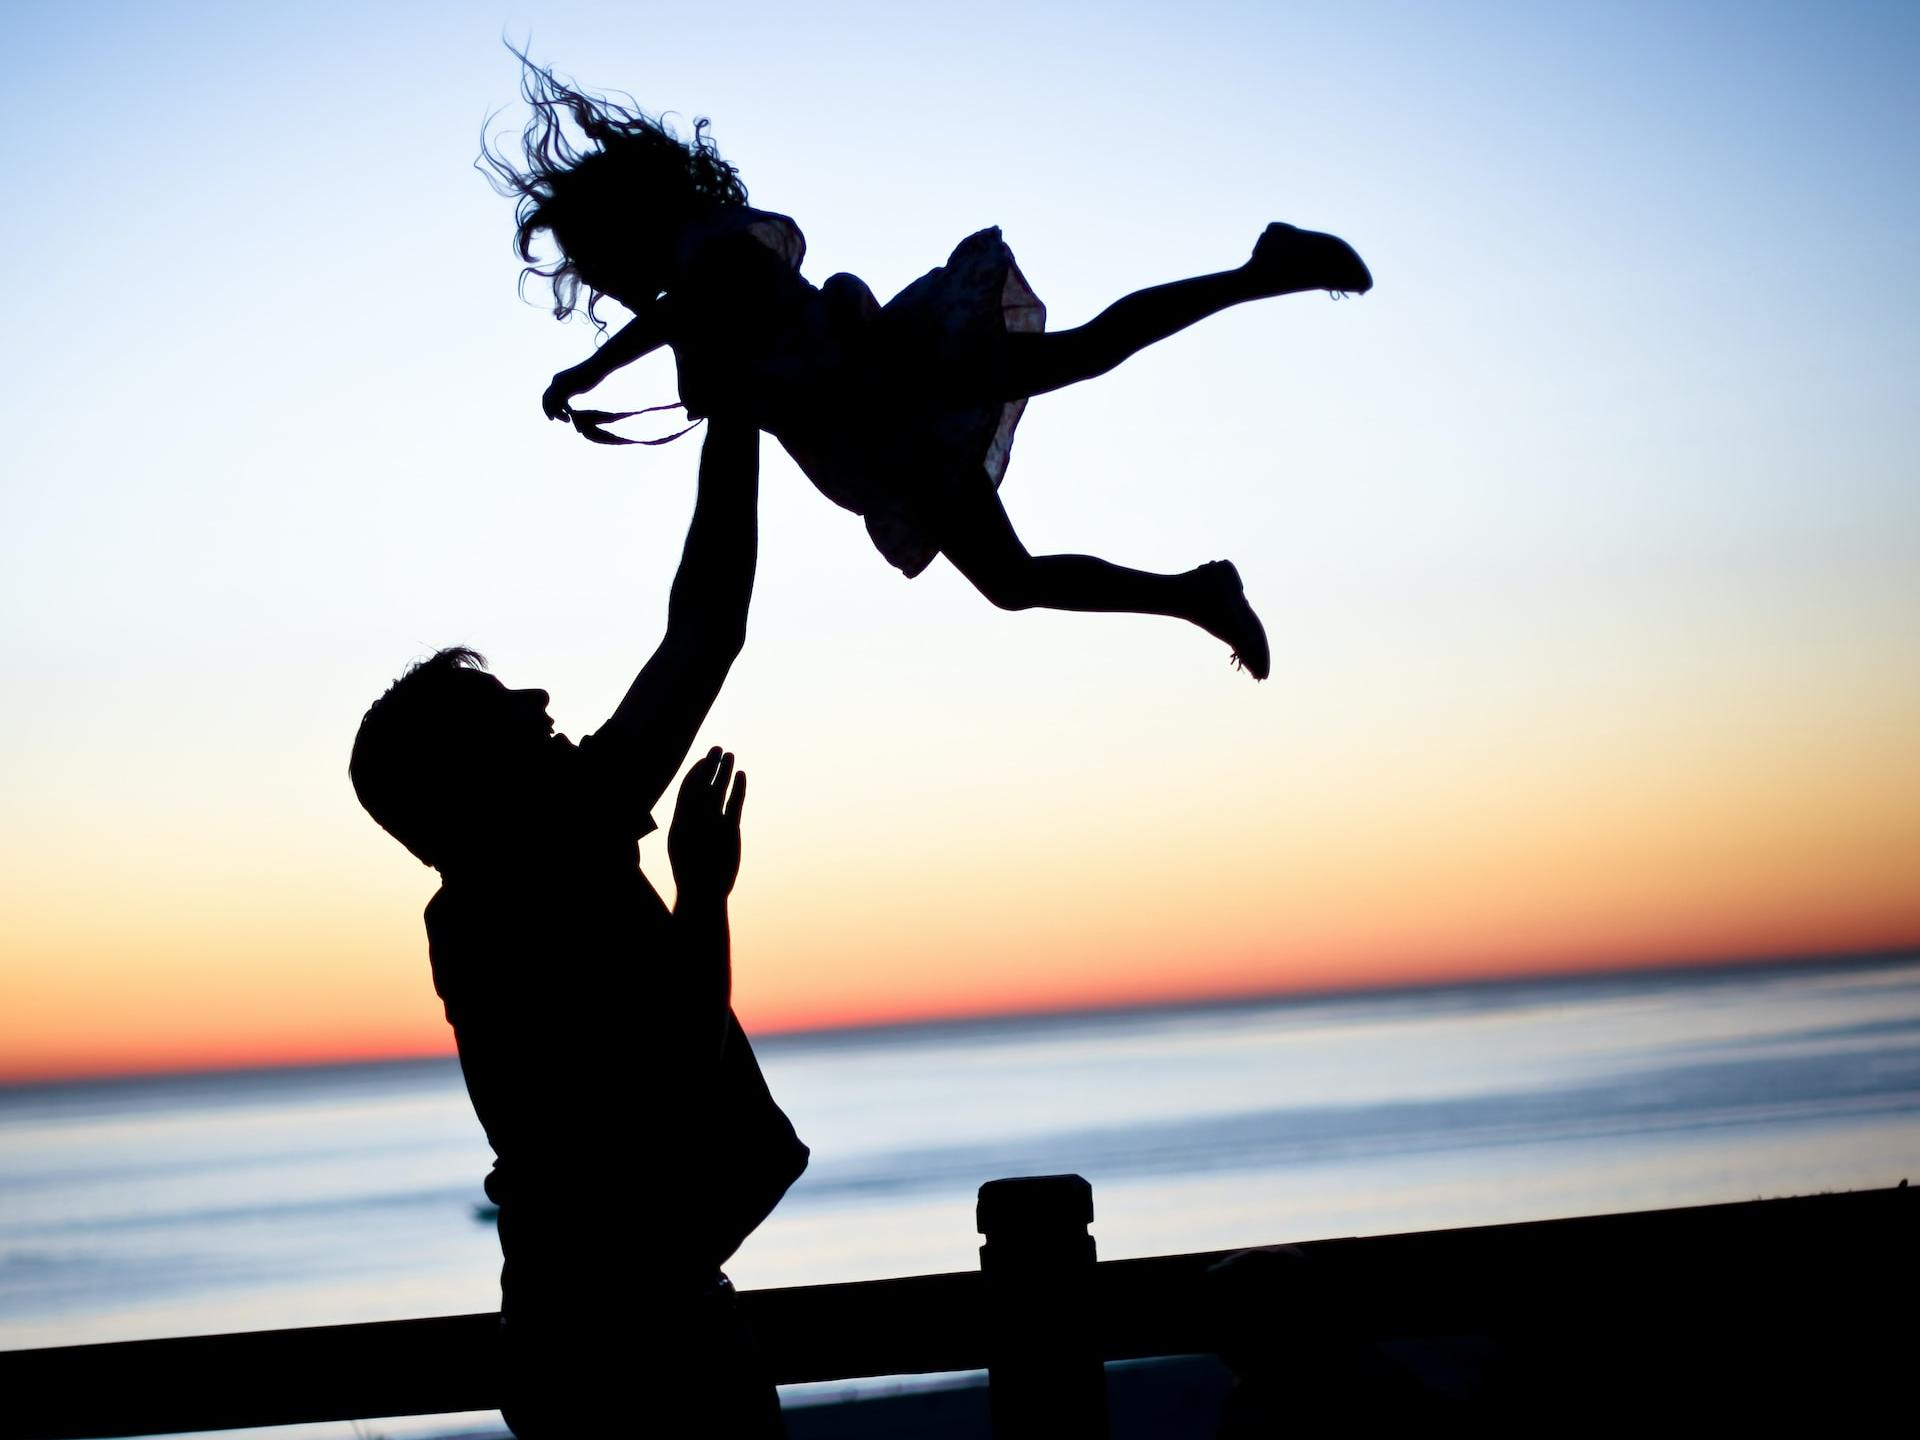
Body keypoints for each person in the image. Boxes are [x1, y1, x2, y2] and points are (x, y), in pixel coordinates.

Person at [480, 56, 1377, 681]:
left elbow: (699, 323)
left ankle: (1265, 270)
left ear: (617, 229)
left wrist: (593, 372)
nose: (597, 280)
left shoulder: (703, 257)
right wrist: (611, 375)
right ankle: (1195, 593)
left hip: (895, 389)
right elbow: (701, 343)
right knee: (1016, 578)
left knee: (1084, 364)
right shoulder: (695, 269)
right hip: (884, 430)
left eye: (591, 258)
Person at [349, 420, 802, 1436]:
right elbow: (678, 1056)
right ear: (474, 778)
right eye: (502, 705)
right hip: (629, 1346)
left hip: (595, 1325)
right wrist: (704, 894)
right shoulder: (520, 894)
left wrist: (737, 415)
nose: (540, 697)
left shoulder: (530, 860)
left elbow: (705, 629)